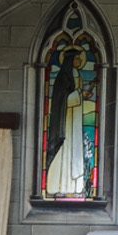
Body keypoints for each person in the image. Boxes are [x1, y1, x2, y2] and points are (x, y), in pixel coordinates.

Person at [43, 49, 93, 196]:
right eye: (77, 59)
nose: (79, 61)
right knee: (65, 151)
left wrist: (82, 95)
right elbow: (62, 100)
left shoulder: (77, 75)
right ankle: (58, 186)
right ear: (70, 60)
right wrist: (80, 94)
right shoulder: (63, 77)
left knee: (75, 152)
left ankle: (75, 187)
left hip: (76, 119)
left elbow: (75, 97)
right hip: (65, 122)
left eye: (80, 59)